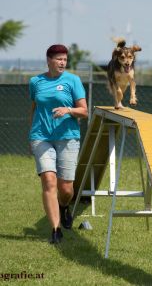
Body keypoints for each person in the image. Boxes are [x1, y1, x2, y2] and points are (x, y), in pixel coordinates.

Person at [29, 44, 88, 244]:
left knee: (66, 189)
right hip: (41, 137)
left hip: (68, 137)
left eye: (64, 59)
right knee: (49, 181)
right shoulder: (35, 81)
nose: (62, 62)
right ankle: (55, 230)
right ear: (49, 60)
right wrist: (32, 135)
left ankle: (64, 207)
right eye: (58, 59)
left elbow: (85, 111)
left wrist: (68, 110)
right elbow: (35, 108)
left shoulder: (73, 80)